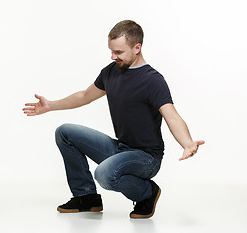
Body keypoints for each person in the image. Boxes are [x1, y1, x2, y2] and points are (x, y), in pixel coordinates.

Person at [22, 20, 204, 219]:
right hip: (121, 149)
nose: (113, 56)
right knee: (65, 132)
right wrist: (50, 105)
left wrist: (187, 143)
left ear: (137, 48)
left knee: (104, 174)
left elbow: (172, 116)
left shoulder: (152, 80)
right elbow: (85, 96)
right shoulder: (111, 72)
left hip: (146, 157)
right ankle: (87, 197)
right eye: (111, 51)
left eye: (118, 52)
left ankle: (147, 193)